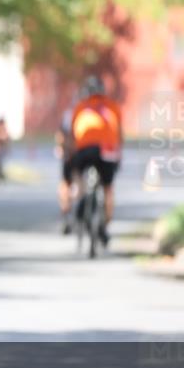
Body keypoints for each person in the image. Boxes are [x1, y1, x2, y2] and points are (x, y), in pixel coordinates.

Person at [67, 75, 123, 245]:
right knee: (108, 188)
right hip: (108, 150)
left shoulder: (81, 107)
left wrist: (71, 154)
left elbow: (72, 135)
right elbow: (119, 134)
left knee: (76, 171)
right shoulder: (112, 106)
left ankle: (80, 195)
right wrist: (119, 155)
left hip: (85, 149)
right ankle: (105, 226)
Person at [55, 104, 76, 234]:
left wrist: (62, 149)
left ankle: (66, 213)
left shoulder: (69, 114)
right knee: (71, 183)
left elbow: (61, 134)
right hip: (77, 153)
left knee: (65, 184)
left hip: (70, 154)